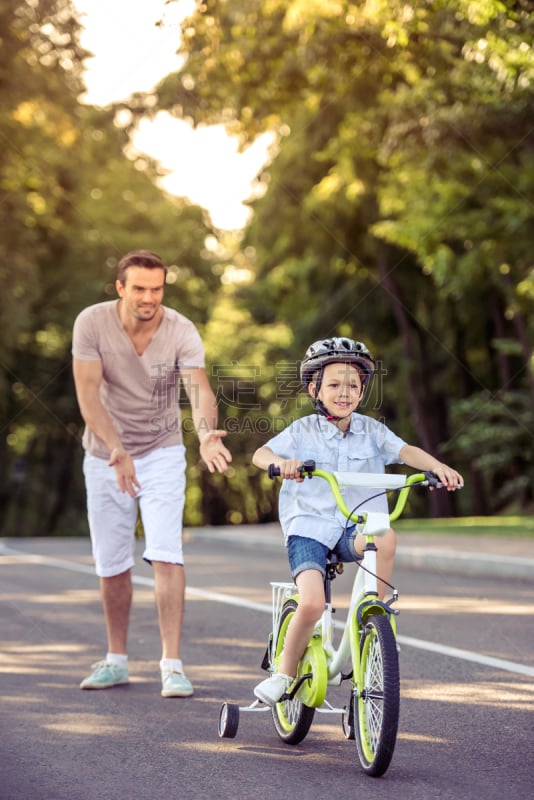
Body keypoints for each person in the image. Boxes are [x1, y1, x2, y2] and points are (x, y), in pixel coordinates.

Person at [253, 337, 464, 706]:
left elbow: (405, 451)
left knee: (385, 536)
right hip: (309, 527)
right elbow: (261, 452)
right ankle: (284, 672)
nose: (344, 392)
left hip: (353, 527)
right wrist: (281, 464)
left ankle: (373, 619)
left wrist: (436, 467)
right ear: (314, 388)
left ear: (363, 390)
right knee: (314, 604)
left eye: (353, 385)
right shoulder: (302, 431)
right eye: (334, 384)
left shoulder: (373, 431)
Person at [72, 249, 231, 698]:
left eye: (156, 289)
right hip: (105, 454)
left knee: (166, 552)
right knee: (112, 561)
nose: (148, 297)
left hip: (161, 451)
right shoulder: (91, 323)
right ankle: (116, 660)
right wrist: (117, 449)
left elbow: (198, 389)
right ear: (120, 287)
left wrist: (205, 436)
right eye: (139, 288)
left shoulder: (180, 330)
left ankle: (172, 665)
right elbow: (88, 395)